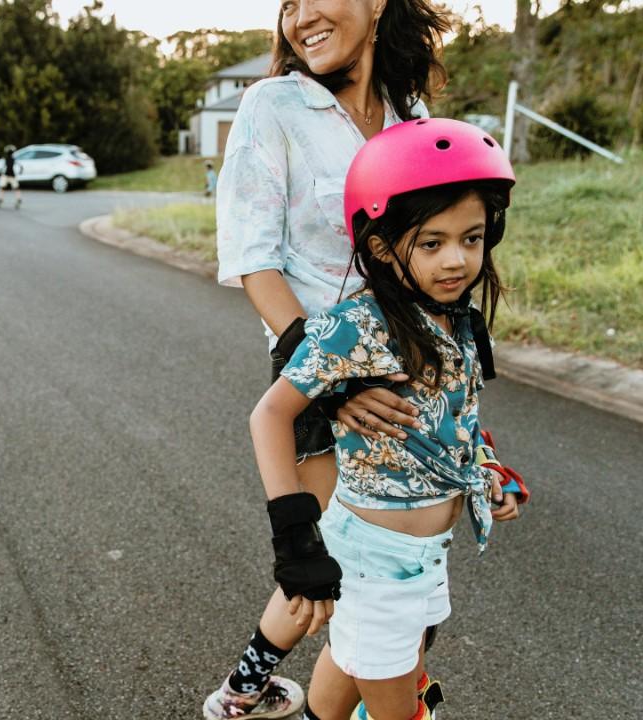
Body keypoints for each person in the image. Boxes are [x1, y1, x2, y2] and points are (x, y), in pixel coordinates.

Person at [205, 1, 454, 718]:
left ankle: (265, 692)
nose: (301, 16)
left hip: (410, 377)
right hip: (313, 371)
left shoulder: (411, 116)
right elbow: (254, 261)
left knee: (395, 577)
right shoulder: (273, 105)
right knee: (333, 564)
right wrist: (329, 379)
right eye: (288, 3)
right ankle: (259, 691)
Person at [258, 118, 524, 720]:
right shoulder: (358, 325)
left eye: (473, 238)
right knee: (400, 710)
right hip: (378, 562)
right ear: (380, 246)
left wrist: (488, 472)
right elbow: (270, 415)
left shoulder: (454, 319)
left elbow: (450, 422)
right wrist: (296, 541)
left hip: (427, 554)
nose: (457, 260)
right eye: (431, 243)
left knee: (345, 680)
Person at [0, 144, 22, 210]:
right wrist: (19, 172)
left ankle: (0, 199)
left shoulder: (5, 159)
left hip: (6, 175)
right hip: (12, 175)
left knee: (3, 188)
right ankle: (18, 199)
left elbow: (1, 167)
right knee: (16, 188)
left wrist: (0, 172)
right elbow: (20, 167)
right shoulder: (14, 159)